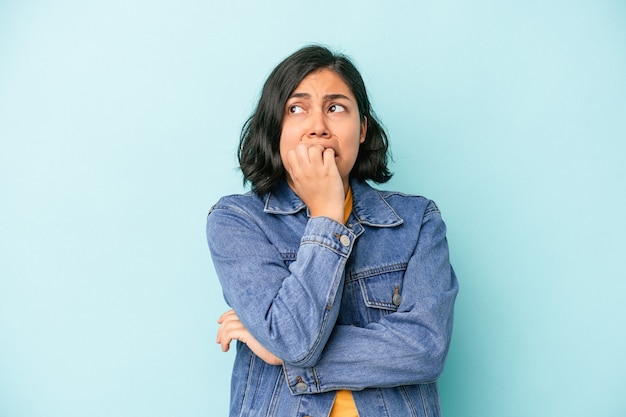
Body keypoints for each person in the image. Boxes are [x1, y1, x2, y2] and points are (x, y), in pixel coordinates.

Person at [206, 45, 458, 417]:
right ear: (275, 129)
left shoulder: (417, 220)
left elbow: (426, 349)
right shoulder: (237, 220)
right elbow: (293, 341)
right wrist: (326, 213)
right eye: (296, 108)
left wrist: (281, 352)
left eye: (336, 107)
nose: (318, 126)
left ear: (362, 130)